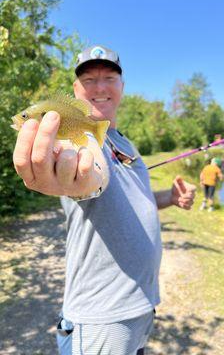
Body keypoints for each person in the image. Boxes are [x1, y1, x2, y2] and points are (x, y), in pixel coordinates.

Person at [13, 45, 196, 355]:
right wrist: (80, 180)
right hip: (102, 317)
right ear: (75, 90)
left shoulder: (125, 141)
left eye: (109, 77)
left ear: (122, 87)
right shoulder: (79, 140)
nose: (99, 87)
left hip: (142, 305)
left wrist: (170, 197)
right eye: (88, 80)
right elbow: (92, 175)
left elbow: (135, 197)